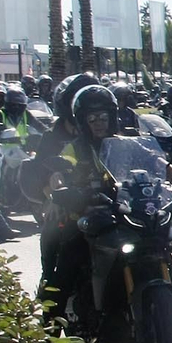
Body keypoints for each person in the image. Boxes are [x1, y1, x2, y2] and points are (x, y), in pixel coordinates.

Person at [36, 84, 119, 318]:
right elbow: (59, 171)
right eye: (92, 118)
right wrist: (59, 191)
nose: (99, 122)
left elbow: (154, 160)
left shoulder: (123, 143)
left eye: (103, 116)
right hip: (85, 216)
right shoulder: (75, 148)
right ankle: (49, 333)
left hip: (120, 214)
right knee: (66, 266)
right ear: (83, 121)